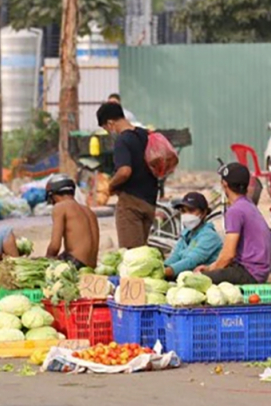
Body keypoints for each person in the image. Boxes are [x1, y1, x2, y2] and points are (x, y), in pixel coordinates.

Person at [97, 101, 159, 249]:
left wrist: (110, 186)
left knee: (131, 255)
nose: (108, 132)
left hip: (131, 203)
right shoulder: (144, 135)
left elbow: (125, 171)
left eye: (106, 129)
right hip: (149, 200)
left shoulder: (122, 140)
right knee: (143, 252)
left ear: (110, 123)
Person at [199, 163, 271, 285]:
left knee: (199, 280)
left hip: (249, 274)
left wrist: (209, 272)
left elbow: (228, 255)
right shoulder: (248, 205)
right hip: (258, 272)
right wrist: (210, 268)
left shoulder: (235, 211)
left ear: (224, 184)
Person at [45, 175, 100, 268]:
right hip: (91, 266)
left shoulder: (60, 207)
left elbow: (55, 246)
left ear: (52, 195)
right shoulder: (88, 211)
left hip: (76, 264)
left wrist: (45, 261)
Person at [164, 192, 223, 279]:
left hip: (204, 279)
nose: (186, 215)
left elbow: (191, 261)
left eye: (191, 211)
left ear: (203, 213)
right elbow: (175, 256)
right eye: (183, 211)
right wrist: (163, 267)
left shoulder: (209, 236)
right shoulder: (186, 233)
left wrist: (168, 271)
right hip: (186, 277)